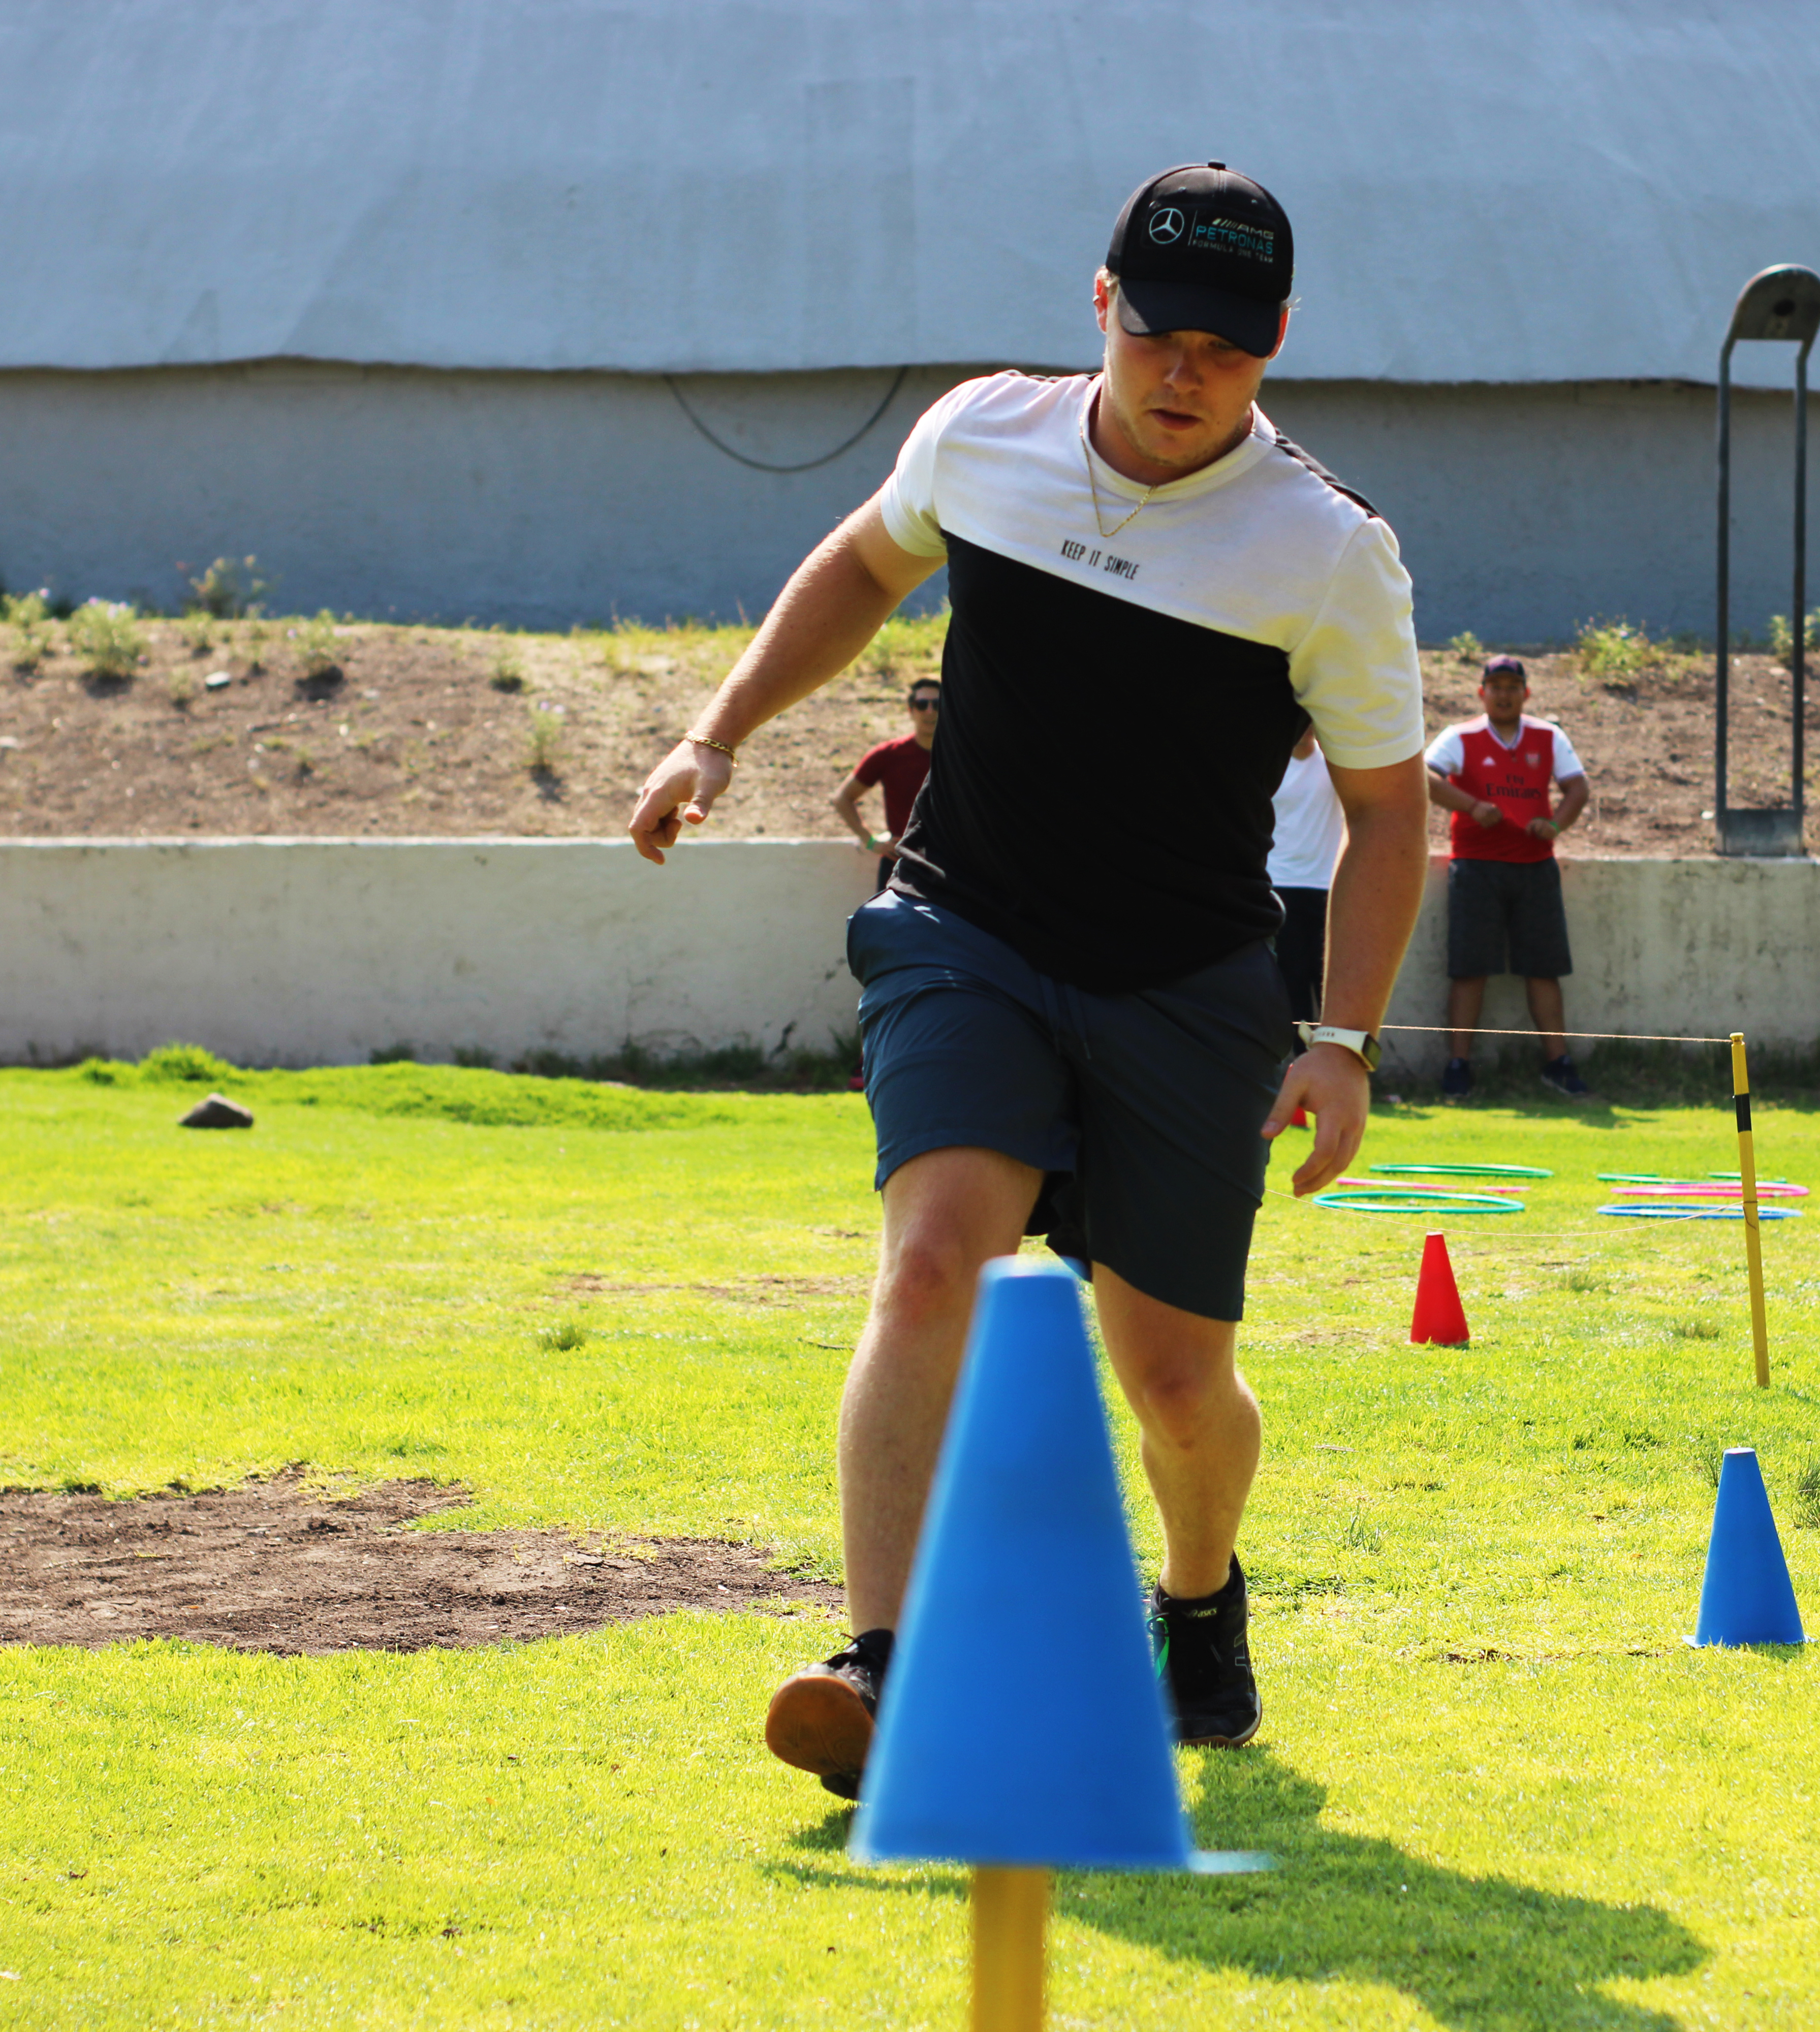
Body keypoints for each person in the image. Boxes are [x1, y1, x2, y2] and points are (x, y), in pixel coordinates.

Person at [625, 161, 1430, 1788]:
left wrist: (1339, 1035)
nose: (1183, 370)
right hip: (966, 933)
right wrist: (716, 736)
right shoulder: (982, 432)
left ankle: (1198, 1600)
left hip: (1184, 985)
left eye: (1225, 343)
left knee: (1174, 1381)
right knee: (930, 1261)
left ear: (1274, 344)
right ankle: (887, 1668)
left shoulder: (1328, 551)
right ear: (1098, 306)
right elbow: (862, 564)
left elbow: (1383, 810)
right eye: (1155, 332)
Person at [1428, 653, 1593, 1098]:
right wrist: (1471, 807)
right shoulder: (1460, 737)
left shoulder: (1548, 735)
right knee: (1469, 970)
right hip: (1476, 865)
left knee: (1544, 970)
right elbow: (1425, 776)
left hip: (1534, 866)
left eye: (1511, 687)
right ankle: (1458, 1067)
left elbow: (1577, 787)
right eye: (1495, 686)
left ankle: (1557, 1063)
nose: (1503, 694)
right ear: (1481, 692)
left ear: (1527, 693)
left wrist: (1555, 824)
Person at [831, 678, 942, 893]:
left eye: (937, 705)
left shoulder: (963, 757)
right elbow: (842, 799)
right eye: (922, 705)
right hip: (901, 865)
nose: (930, 711)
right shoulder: (889, 755)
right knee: (895, 927)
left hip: (951, 866)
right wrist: (871, 842)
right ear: (911, 710)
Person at [1268, 727, 1343, 1030]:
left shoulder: (1337, 763)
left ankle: (1335, 1065)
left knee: (1331, 983)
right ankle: (1300, 1065)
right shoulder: (1271, 763)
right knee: (1293, 979)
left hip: (1329, 888)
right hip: (1279, 887)